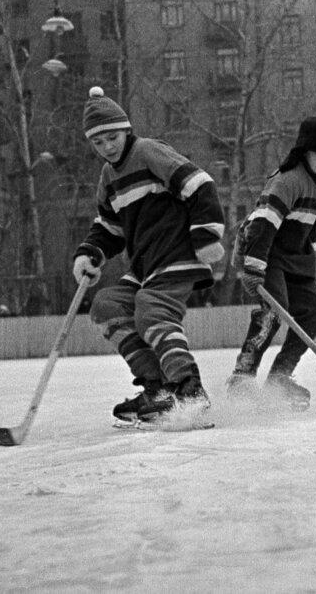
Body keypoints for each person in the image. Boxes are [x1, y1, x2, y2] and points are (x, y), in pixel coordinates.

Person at [71, 87, 225, 425]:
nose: (107, 147)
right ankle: (157, 388)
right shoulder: (108, 178)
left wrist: (206, 233)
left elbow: (200, 184)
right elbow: (110, 227)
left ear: (126, 130)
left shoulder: (148, 151)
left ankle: (188, 388)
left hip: (178, 254)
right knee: (107, 305)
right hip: (145, 264)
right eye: (98, 143)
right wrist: (91, 253)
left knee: (152, 309)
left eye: (112, 137)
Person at [227, 117, 316, 410]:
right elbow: (264, 222)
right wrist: (254, 265)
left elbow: (311, 219)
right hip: (265, 249)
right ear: (304, 151)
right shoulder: (288, 180)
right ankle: (242, 375)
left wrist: (311, 253)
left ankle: (279, 377)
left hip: (294, 254)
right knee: (275, 310)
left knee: (315, 309)